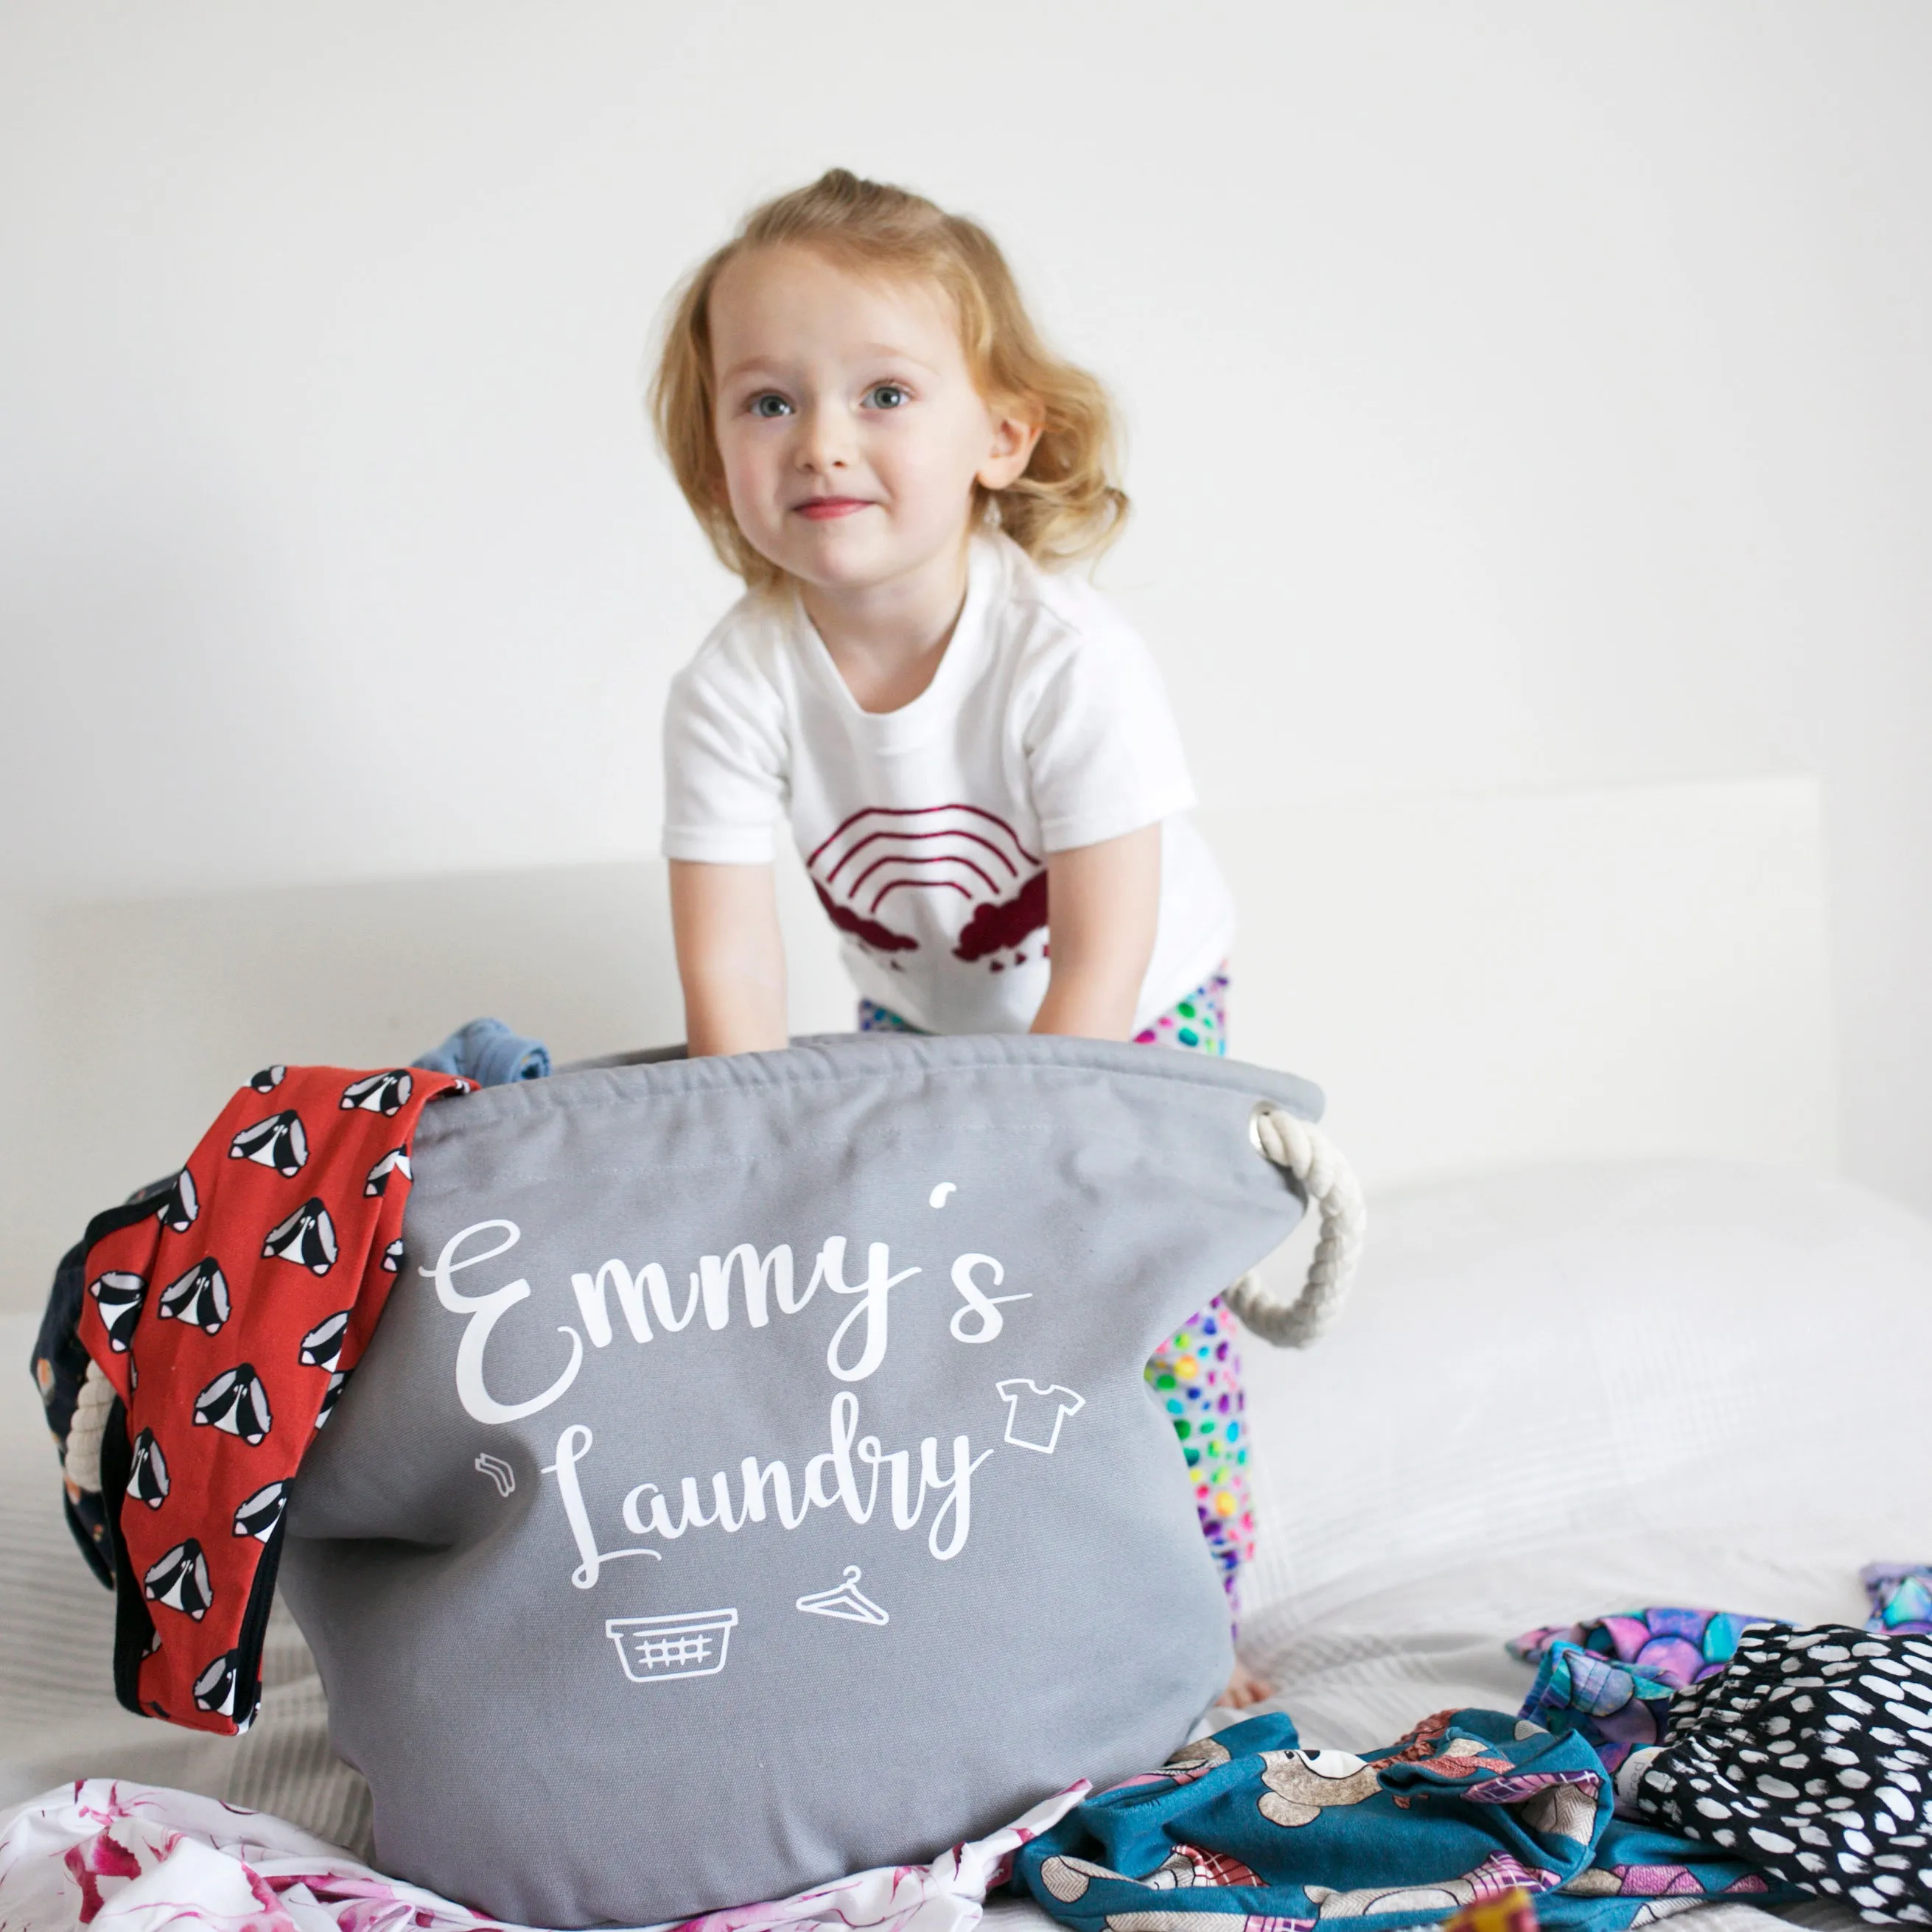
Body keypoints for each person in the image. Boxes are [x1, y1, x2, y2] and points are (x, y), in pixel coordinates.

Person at [650, 168, 1265, 1704]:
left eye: (881, 392)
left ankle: (1199, 1624)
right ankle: (978, 1584)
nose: (824, 441)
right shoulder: (734, 686)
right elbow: (732, 965)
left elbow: (1101, 958)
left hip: (1130, 1018)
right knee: (912, 1325)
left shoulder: (1068, 664)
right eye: (769, 403)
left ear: (1001, 435)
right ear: (715, 448)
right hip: (921, 1020)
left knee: (1136, 1304)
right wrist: (764, 1171)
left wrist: (1047, 1165)